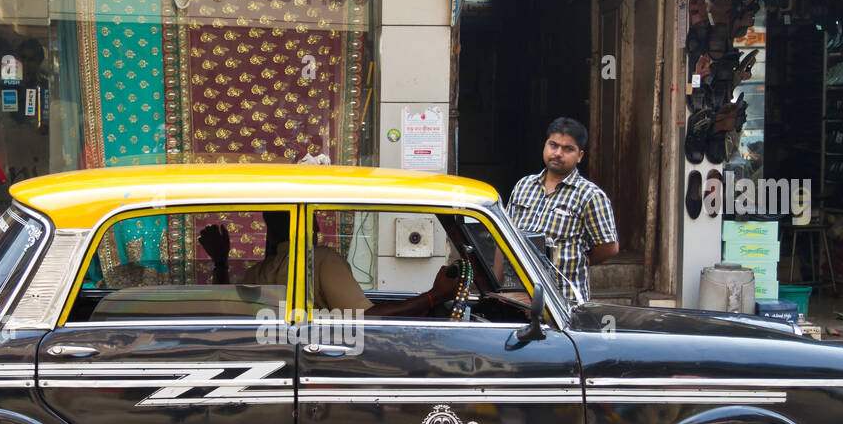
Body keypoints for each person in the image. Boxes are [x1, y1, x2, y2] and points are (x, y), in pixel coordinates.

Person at [200, 213, 456, 316]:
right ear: (311, 226)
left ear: (273, 235)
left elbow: (226, 310)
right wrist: (434, 297)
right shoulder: (322, 260)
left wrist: (220, 262)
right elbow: (364, 321)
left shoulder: (257, 272)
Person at [505, 117, 618, 302]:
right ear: (545, 146)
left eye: (568, 149)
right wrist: (500, 285)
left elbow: (609, 247)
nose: (558, 153)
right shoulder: (523, 186)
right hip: (519, 296)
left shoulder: (590, 195)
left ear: (580, 156)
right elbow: (506, 237)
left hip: (563, 301)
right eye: (553, 145)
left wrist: (576, 260)